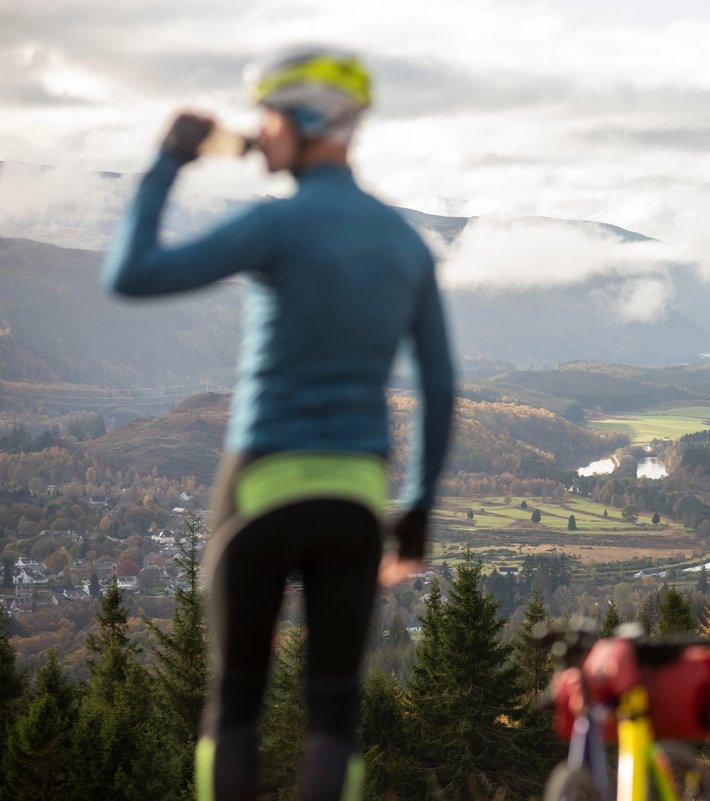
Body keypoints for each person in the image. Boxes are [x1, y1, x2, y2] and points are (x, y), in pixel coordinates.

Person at [103, 46, 454, 801]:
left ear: (304, 116)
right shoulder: (404, 244)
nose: (259, 134)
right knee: (332, 717)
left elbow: (131, 273)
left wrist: (169, 161)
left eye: (267, 114)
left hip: (261, 479)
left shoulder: (278, 224)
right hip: (357, 495)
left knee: (234, 705)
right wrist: (418, 510)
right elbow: (439, 383)